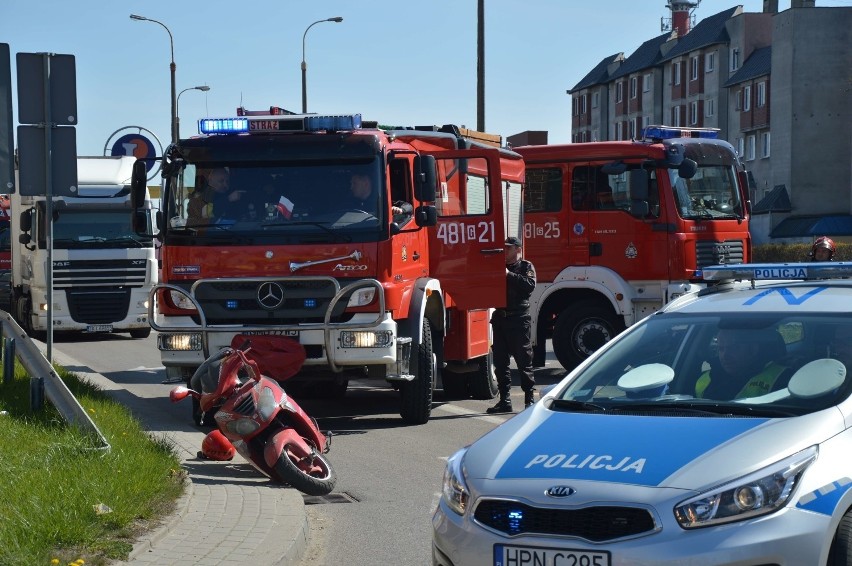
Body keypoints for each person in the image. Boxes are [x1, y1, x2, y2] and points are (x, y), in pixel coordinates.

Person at [487, 236, 537, 413]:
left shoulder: (525, 266)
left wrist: (509, 275)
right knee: (500, 362)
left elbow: (529, 286)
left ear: (518, 249)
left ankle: (529, 399)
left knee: (524, 360)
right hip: (501, 318)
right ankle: (505, 400)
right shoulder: (497, 267)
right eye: (504, 248)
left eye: (508, 248)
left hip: (519, 318)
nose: (505, 251)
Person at [695, 328, 789, 400]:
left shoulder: (780, 379)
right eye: (721, 349)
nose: (725, 355)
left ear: (752, 350)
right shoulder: (705, 381)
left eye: (733, 348)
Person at [345, 173, 412, 219]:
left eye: (354, 183)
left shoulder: (381, 200)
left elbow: (408, 206)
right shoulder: (350, 202)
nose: (351, 187)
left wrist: (399, 209)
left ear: (366, 183)